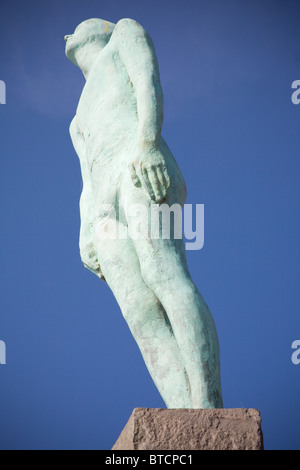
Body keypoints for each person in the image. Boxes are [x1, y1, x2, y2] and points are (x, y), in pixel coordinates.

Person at [65, 18, 223, 409]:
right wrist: (85, 230)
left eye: (75, 28)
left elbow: (148, 82)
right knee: (139, 313)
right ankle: (182, 411)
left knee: (164, 273)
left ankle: (207, 404)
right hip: (104, 203)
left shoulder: (123, 34)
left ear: (96, 31)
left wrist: (148, 143)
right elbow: (86, 178)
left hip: (139, 166)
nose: (67, 35)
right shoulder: (75, 122)